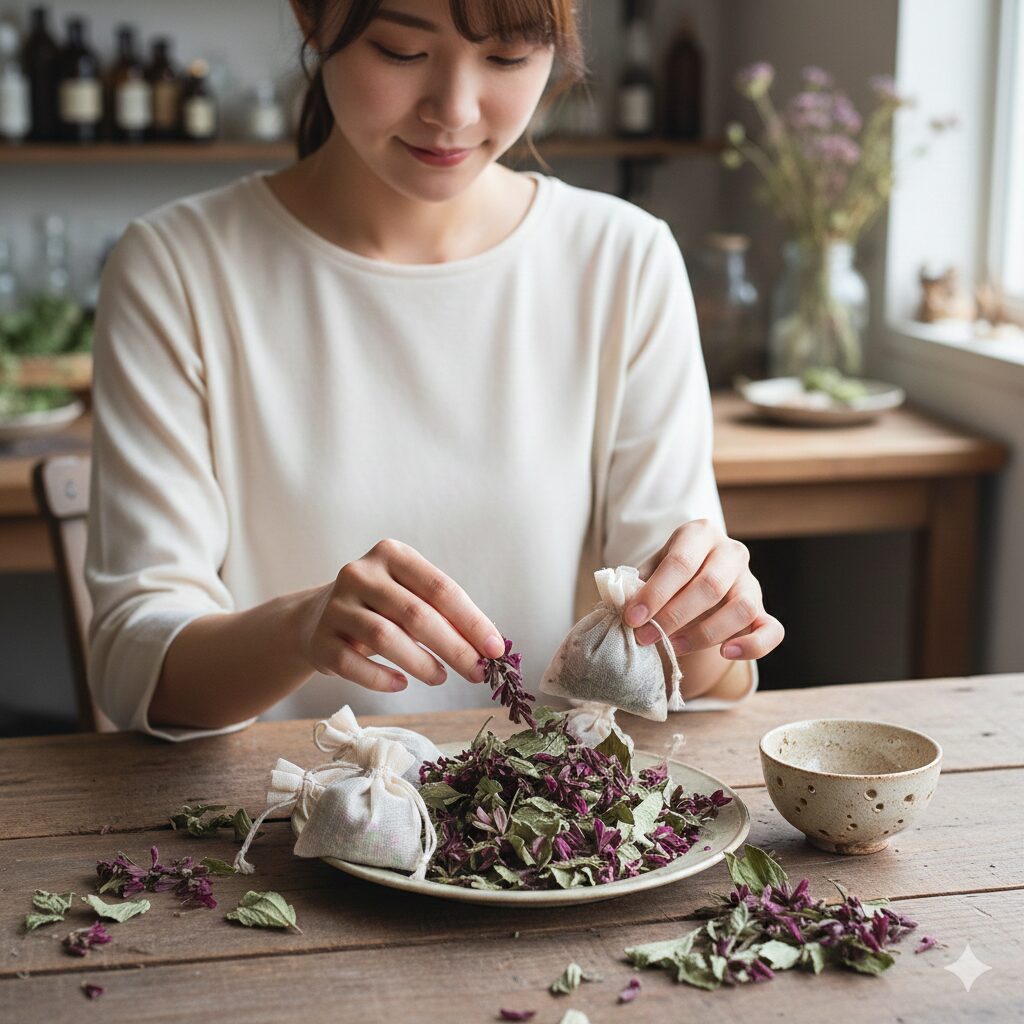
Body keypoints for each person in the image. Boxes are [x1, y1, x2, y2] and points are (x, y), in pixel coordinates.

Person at [85, 0, 784, 742]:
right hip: (276, 824)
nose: (453, 110)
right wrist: (300, 628)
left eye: (508, 59)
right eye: (399, 51)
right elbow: (137, 664)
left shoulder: (623, 260)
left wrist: (711, 617)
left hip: (548, 825)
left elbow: (690, 675)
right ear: (312, 19)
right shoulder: (178, 268)